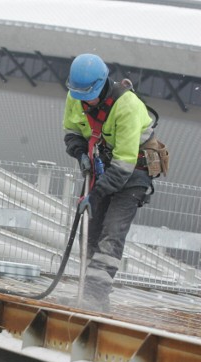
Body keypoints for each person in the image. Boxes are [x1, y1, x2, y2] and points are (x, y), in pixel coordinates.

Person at [63, 53, 158, 312]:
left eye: (88, 95)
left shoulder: (125, 106)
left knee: (112, 233)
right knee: (91, 233)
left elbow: (124, 164)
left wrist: (94, 196)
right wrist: (80, 152)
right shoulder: (75, 96)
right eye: (79, 94)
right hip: (103, 166)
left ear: (102, 84)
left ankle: (95, 298)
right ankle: (90, 295)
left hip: (132, 171)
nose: (83, 101)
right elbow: (72, 132)